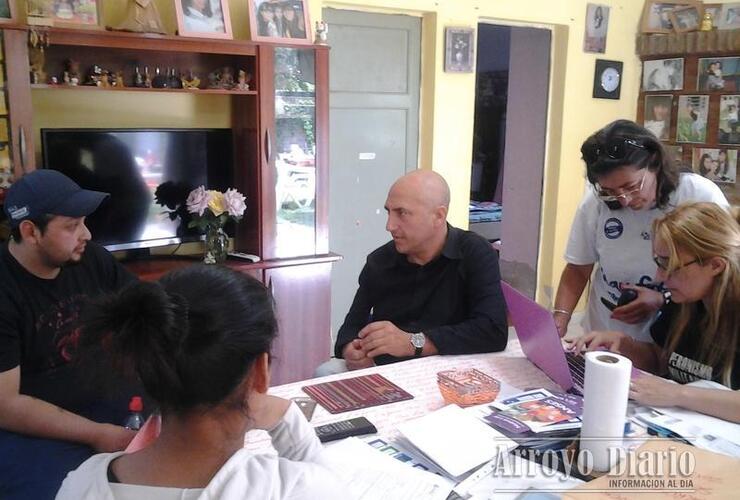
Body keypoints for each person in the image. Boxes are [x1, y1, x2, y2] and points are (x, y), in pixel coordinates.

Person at [56, 265, 345, 499]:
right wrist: (288, 418)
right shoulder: (289, 488)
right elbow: (330, 486)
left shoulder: (80, 484)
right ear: (261, 370)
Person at [0, 170, 139, 500]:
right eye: (71, 225)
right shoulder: (4, 291)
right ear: (30, 231)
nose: (86, 234)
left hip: (106, 399)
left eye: (84, 222)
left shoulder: (91, 259)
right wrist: (98, 434)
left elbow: (144, 310)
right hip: (33, 428)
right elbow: (5, 405)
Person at [318, 170, 508, 375]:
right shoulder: (380, 261)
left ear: (438, 216)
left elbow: (493, 331)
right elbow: (350, 326)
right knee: (324, 372)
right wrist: (351, 350)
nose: (389, 226)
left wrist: (414, 342)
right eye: (388, 212)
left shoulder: (474, 252)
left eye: (402, 213)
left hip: (453, 371)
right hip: (387, 370)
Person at [553, 120, 728, 342]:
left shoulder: (698, 195)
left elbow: (722, 275)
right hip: (604, 332)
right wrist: (561, 317)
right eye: (610, 191)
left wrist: (663, 298)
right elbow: (578, 268)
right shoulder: (596, 203)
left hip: (670, 340)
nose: (624, 199)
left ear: (654, 162)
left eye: (631, 186)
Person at [574, 203, 739, 422]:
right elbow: (664, 360)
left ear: (715, 265)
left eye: (670, 265)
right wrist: (625, 345)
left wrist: (679, 395)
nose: (660, 276)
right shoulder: (685, 302)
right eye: (659, 262)